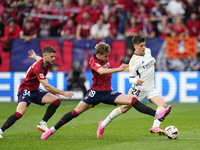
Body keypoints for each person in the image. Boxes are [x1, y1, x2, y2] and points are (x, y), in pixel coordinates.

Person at [40, 42, 171, 140]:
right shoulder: (94, 61)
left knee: (132, 101)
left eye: (108, 55)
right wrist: (118, 69)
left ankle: (157, 114)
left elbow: (110, 68)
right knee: (76, 112)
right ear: (98, 55)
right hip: (95, 93)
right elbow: (102, 71)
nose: (107, 58)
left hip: (108, 93)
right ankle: (51, 130)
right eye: (105, 56)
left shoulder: (103, 58)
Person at [96, 35, 172, 138]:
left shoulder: (148, 51)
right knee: (124, 109)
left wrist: (154, 64)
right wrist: (137, 81)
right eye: (141, 46)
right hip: (138, 90)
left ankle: (155, 127)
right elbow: (131, 78)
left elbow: (152, 60)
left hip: (150, 88)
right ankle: (103, 125)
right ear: (135, 46)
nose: (143, 48)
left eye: (144, 45)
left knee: (162, 105)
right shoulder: (134, 61)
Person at [0, 46, 73, 138]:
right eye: (52, 57)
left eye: (54, 56)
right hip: (25, 90)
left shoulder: (46, 61)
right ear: (45, 56)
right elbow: (46, 86)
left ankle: (43, 123)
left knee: (56, 100)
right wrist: (64, 93)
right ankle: (0, 131)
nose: (54, 59)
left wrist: (35, 56)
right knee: (19, 113)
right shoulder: (39, 68)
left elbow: (40, 58)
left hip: (35, 90)